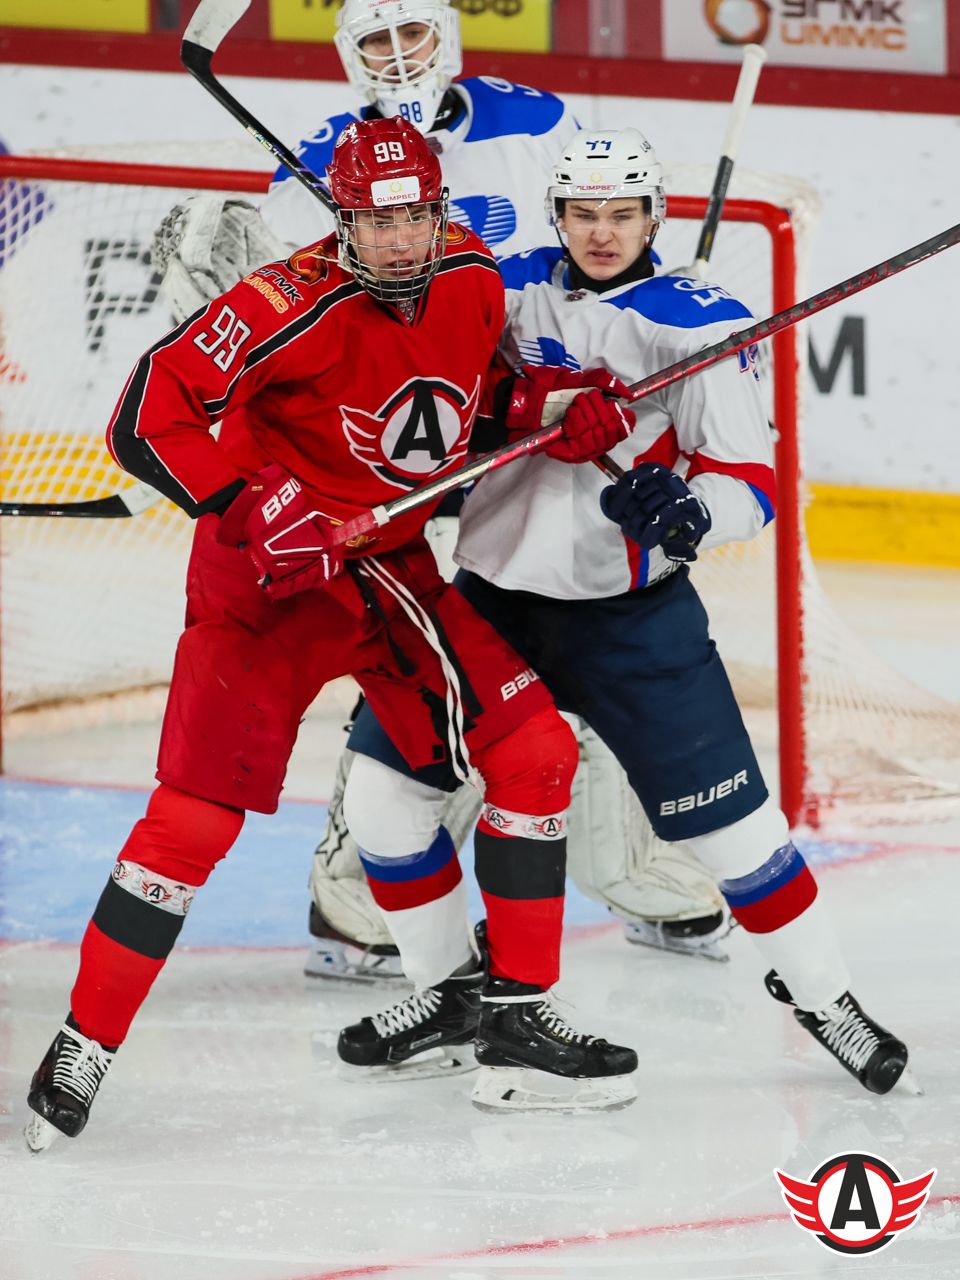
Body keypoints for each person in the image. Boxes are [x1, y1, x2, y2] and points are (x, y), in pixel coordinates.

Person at [24, 118, 643, 1150]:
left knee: (537, 752)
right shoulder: (282, 304)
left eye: (415, 217)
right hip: (264, 590)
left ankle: (514, 1023)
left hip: (388, 573)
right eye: (375, 221)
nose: (399, 240)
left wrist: (551, 409)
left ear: (439, 211)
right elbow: (145, 418)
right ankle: (85, 1040)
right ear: (341, 220)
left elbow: (465, 403)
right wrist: (247, 503)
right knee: (192, 827)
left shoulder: (470, 278)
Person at [333, 128, 914, 1107]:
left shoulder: (699, 324)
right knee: (384, 799)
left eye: (621, 214)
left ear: (655, 217)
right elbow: (436, 393)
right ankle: (454, 994)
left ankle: (825, 996)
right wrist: (533, 406)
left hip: (632, 619)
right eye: (582, 213)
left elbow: (750, 480)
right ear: (556, 215)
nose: (601, 233)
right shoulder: (499, 288)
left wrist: (687, 512)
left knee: (736, 836)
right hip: (489, 603)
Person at [152, 0, 727, 983]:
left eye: (410, 33)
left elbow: (591, 230)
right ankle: (355, 895)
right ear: (349, 54)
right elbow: (281, 312)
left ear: (446, 34)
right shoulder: (325, 155)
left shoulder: (536, 119)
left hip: (526, 408)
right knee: (428, 655)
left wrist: (637, 294)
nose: (397, 57)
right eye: (374, 41)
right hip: (393, 446)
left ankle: (631, 866)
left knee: (574, 623)